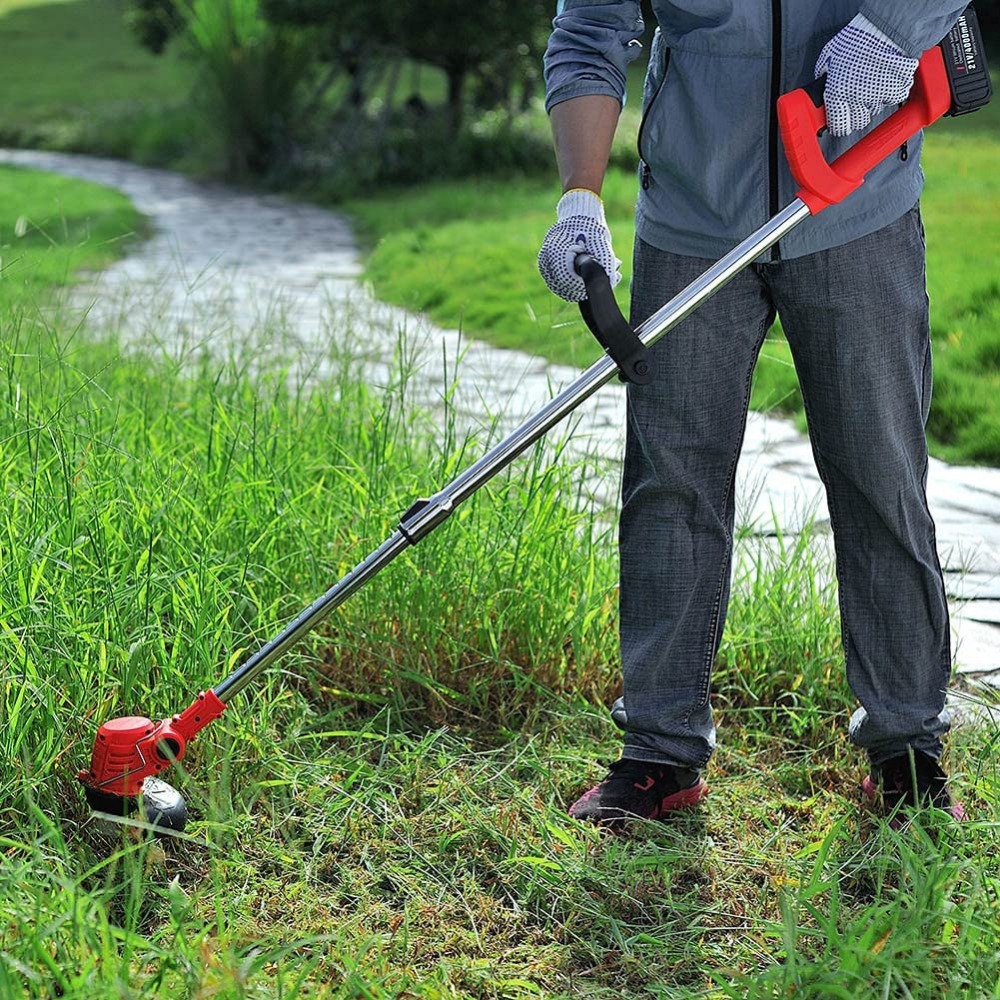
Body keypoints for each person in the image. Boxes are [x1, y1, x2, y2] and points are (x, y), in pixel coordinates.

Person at [538, 0, 970, 825]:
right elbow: (591, 30)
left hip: (856, 196)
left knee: (879, 473)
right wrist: (578, 200)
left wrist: (893, 29)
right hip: (693, 213)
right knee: (672, 483)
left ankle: (907, 747)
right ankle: (660, 753)